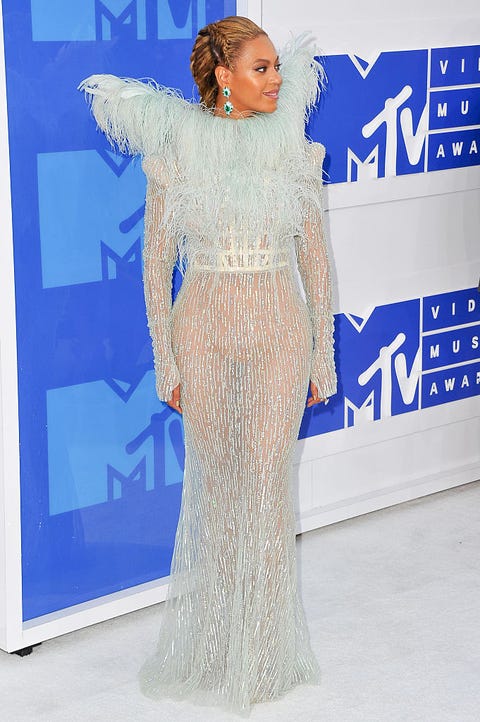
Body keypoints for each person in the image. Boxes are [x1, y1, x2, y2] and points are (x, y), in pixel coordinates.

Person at [79, 15, 337, 717]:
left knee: (265, 489)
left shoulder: (293, 148)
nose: (276, 79)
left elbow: (315, 259)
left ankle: (263, 652)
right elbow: (156, 262)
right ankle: (218, 645)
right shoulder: (179, 148)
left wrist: (325, 352)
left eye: (277, 66)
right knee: (217, 490)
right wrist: (166, 358)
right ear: (224, 75)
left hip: (281, 328)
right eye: (261, 68)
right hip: (203, 328)